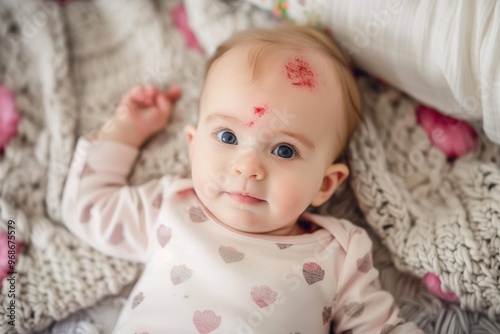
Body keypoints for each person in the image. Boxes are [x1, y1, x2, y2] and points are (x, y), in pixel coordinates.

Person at [62, 26, 423, 334]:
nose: (247, 167)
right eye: (228, 137)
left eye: (284, 150)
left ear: (325, 185)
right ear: (192, 147)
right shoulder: (170, 206)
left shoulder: (337, 254)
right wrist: (125, 131)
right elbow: (90, 207)